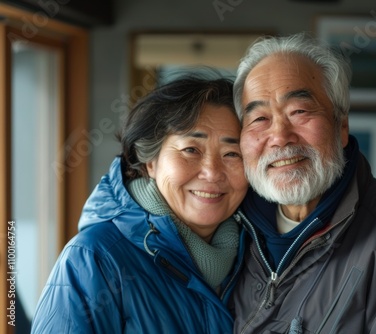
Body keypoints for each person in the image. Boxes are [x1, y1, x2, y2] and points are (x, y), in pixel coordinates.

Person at [229, 33, 376, 333]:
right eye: (259, 119)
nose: (279, 137)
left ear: (341, 126)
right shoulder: (230, 229)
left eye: (299, 111)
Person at [31, 72, 248, 333]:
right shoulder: (94, 258)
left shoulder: (258, 257)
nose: (212, 172)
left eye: (232, 153)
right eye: (191, 150)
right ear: (150, 161)